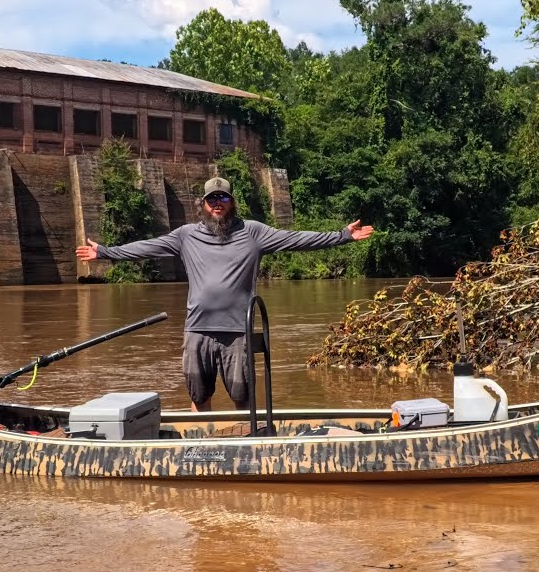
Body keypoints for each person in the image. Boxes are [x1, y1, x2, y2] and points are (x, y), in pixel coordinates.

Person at [75, 177, 374, 412]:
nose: (217, 203)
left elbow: (296, 239)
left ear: (232, 202)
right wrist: (105, 252)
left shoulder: (254, 232)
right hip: (198, 330)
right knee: (198, 394)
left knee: (242, 397)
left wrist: (342, 236)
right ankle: (200, 447)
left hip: (237, 332)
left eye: (223, 197)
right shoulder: (186, 236)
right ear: (203, 204)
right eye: (212, 199)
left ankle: (243, 446)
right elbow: (147, 247)